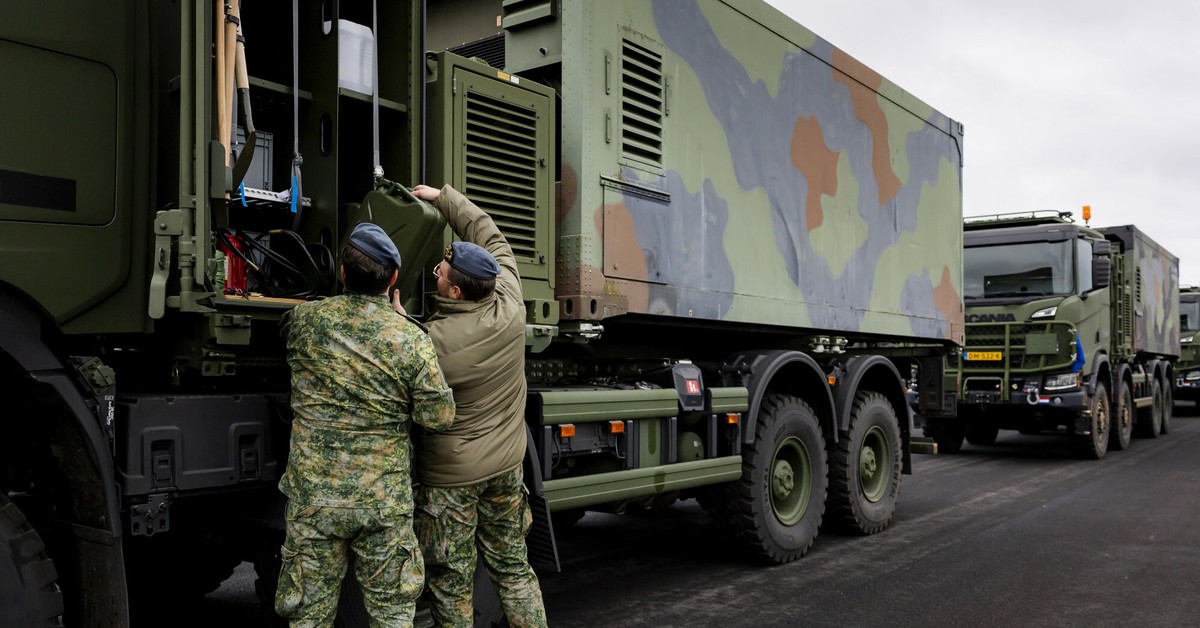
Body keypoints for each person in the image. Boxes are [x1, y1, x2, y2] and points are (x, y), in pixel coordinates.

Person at [275, 223, 456, 627]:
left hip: (314, 499)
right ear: (393, 278)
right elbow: (439, 417)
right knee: (392, 616)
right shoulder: (411, 339)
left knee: (307, 616)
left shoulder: (304, 323)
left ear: (341, 272)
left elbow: (287, 331)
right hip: (382, 501)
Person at [407, 183, 548, 627]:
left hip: (453, 481)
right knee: (513, 569)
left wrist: (394, 315)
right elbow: (490, 234)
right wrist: (446, 198)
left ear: (454, 295)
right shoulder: (510, 302)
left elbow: (396, 356)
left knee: (451, 582)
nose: (435, 272)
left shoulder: (433, 343)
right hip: (507, 467)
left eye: (440, 273)